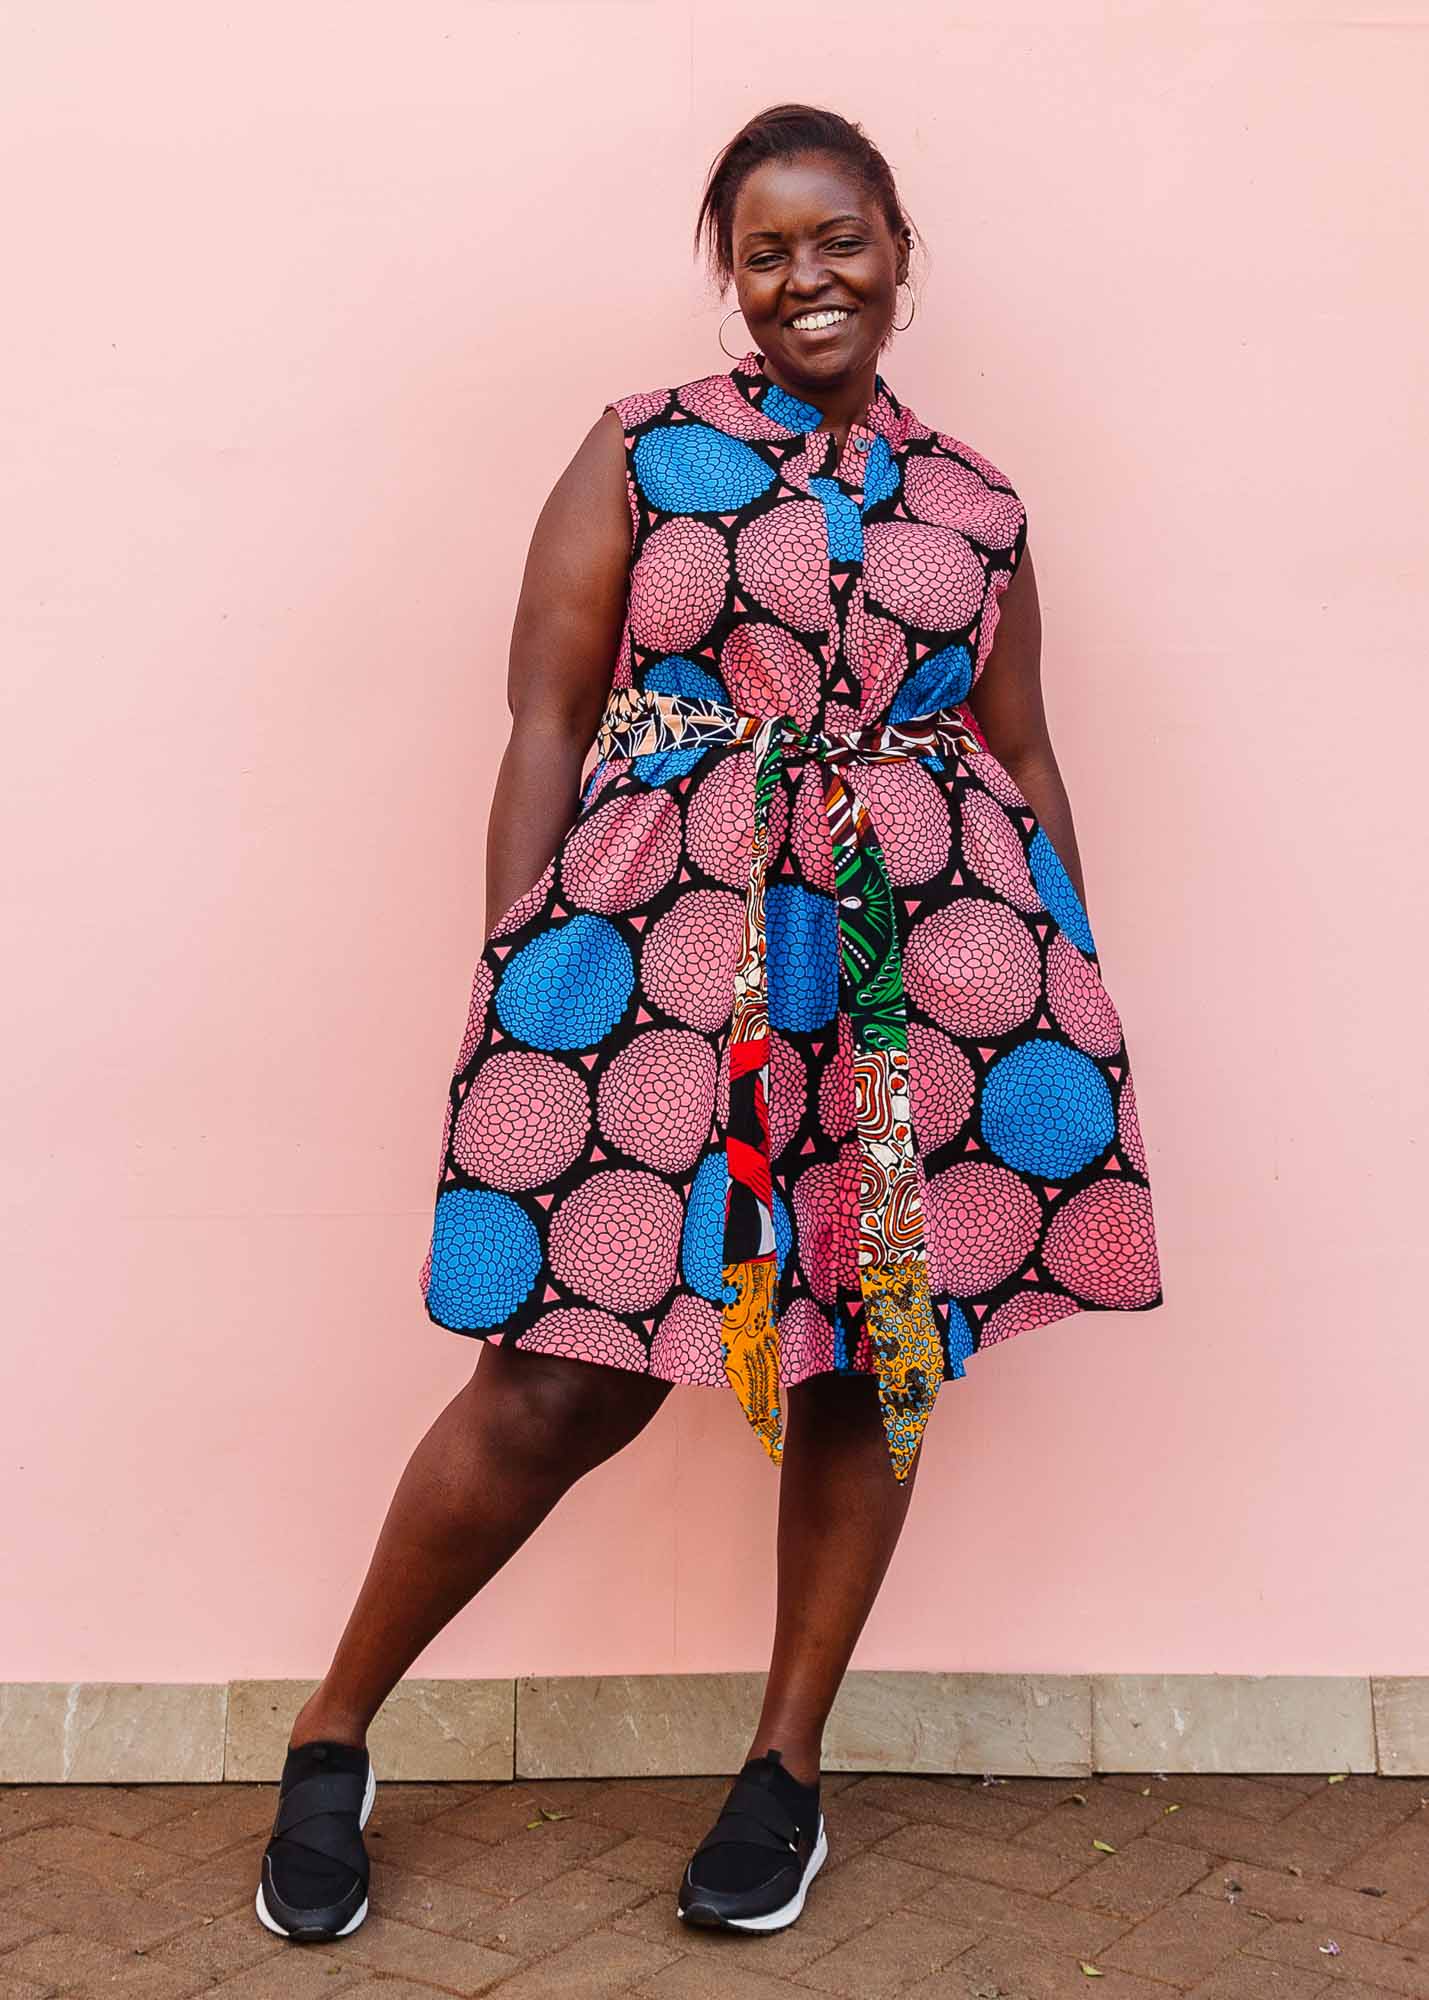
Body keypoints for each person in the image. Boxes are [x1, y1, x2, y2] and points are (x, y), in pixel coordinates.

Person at [256, 100, 1163, 1947]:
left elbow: (1029, 749)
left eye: (838, 242)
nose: (804, 280)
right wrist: (519, 947)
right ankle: (331, 1736)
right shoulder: (641, 449)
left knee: (865, 1353)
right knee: (554, 1376)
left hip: (917, 977)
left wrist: (1068, 978)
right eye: (765, 252)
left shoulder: (975, 499)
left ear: (900, 254)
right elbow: (543, 714)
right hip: (658, 956)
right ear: (729, 275)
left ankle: (783, 1769)